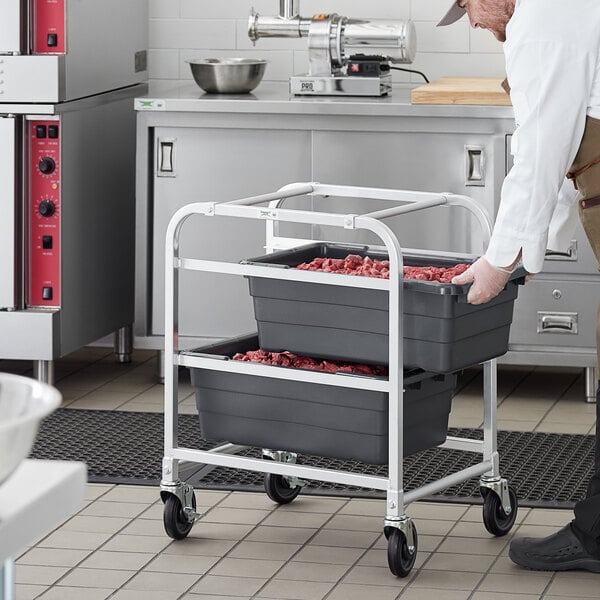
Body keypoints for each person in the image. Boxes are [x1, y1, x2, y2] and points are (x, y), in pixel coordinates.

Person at [438, 0, 600, 572]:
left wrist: (499, 260)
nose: (476, 24)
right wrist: (525, 254)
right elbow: (565, 153)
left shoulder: (540, 22)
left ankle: (596, 538)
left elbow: (540, 151)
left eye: (469, 8)